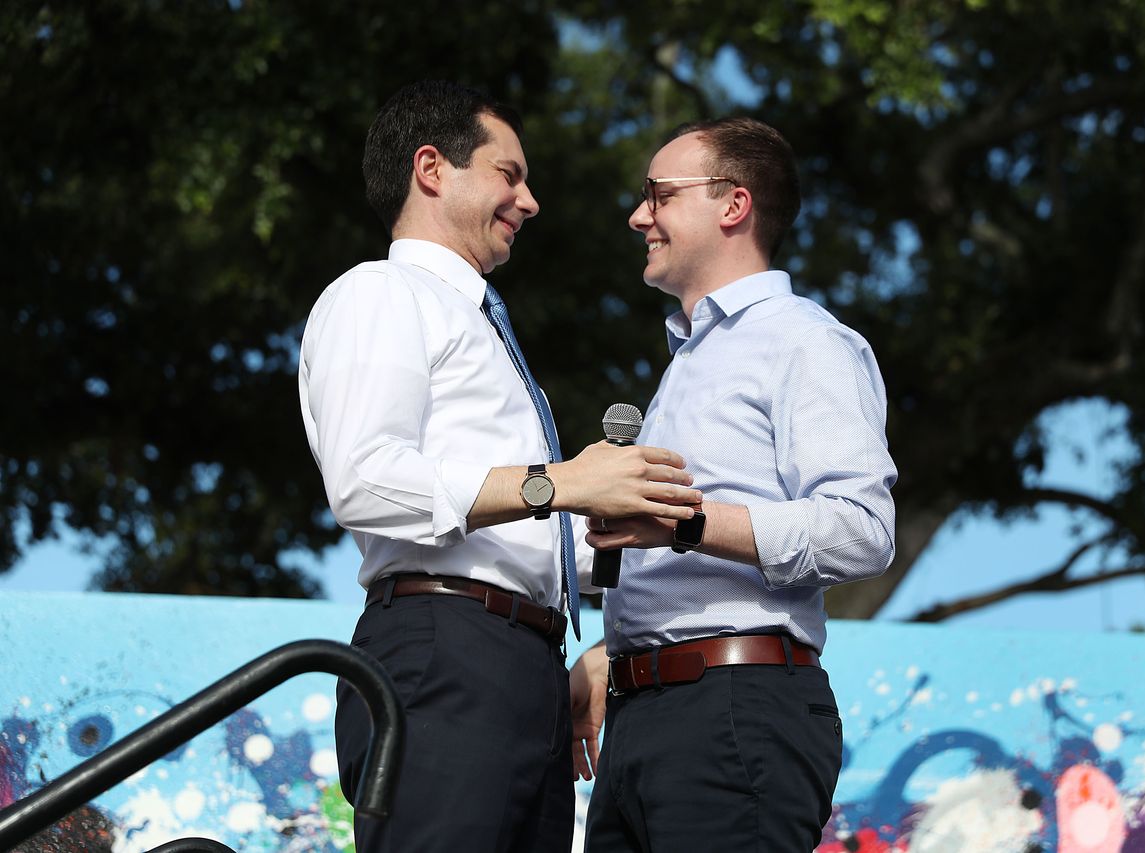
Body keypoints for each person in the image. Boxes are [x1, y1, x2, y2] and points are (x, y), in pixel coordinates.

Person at [297, 80, 701, 853]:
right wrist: (559, 483)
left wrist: (628, 534)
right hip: (442, 649)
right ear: (431, 168)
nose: (530, 200)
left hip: (530, 669)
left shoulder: (487, 335)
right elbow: (367, 480)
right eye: (508, 174)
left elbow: (529, 540)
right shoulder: (380, 293)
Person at [568, 117, 898, 852]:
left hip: (734, 713)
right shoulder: (689, 357)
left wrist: (684, 522)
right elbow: (643, 550)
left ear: (733, 205)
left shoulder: (805, 341)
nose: (638, 215)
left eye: (657, 194)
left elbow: (862, 529)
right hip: (642, 718)